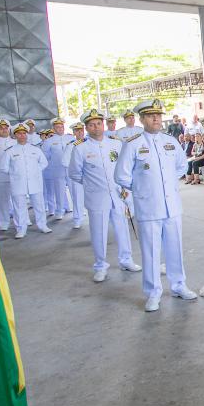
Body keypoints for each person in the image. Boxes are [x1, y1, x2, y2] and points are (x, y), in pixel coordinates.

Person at [114, 99, 196, 312]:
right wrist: (143, 189)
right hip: (148, 207)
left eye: (158, 115)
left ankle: (179, 285)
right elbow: (121, 175)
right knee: (150, 252)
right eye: (151, 116)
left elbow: (181, 165)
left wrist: (168, 183)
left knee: (174, 248)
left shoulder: (170, 141)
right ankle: (153, 293)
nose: (156, 119)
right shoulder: (133, 143)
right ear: (142, 119)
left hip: (172, 206)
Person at [68, 109, 140, 282]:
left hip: (117, 194)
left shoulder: (115, 143)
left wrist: (125, 188)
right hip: (97, 197)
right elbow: (75, 174)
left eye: (99, 123)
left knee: (122, 227)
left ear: (103, 124)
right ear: (86, 128)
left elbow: (124, 167)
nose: (96, 127)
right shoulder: (80, 148)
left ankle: (126, 260)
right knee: (99, 231)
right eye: (92, 125)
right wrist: (92, 185)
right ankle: (100, 265)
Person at [0, 124, 51, 239]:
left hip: (35, 181)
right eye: (19, 133)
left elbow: (44, 163)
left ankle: (42, 225)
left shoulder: (35, 149)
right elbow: (3, 167)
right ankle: (21, 229)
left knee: (39, 204)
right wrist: (15, 173)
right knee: (19, 206)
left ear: (26, 134)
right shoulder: (10, 151)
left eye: (24, 133)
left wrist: (36, 171)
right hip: (18, 183)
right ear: (15, 135)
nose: (22, 136)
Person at [0, 119, 16, 231]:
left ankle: (21, 222)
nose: (4, 130)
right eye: (1, 128)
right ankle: (4, 223)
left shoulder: (15, 142)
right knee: (2, 201)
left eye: (6, 128)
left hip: (15, 176)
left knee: (18, 200)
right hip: (0, 177)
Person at [62, 121, 87, 229]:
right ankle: (77, 219)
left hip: (90, 175)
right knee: (77, 197)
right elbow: (65, 161)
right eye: (77, 131)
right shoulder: (71, 146)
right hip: (77, 176)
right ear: (74, 133)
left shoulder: (89, 142)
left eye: (81, 130)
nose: (80, 132)